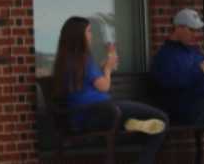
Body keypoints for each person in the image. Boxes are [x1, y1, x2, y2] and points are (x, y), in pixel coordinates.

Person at [50, 16, 167, 164]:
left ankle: (131, 123)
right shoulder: (84, 59)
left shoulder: (66, 60)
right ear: (79, 35)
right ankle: (132, 127)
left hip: (86, 116)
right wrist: (108, 68)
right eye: (89, 31)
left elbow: (88, 82)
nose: (91, 35)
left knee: (144, 120)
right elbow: (104, 86)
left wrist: (104, 66)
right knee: (161, 118)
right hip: (100, 113)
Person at [151, 8, 204, 129]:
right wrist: (201, 71)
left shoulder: (194, 51)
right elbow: (172, 83)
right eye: (191, 30)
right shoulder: (165, 56)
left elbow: (202, 77)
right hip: (193, 106)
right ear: (178, 28)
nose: (195, 34)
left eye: (197, 30)